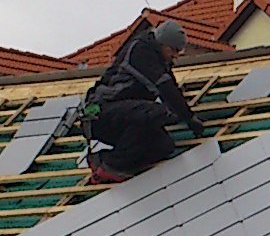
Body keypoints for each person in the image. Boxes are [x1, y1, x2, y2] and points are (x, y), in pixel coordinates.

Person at [81, 19, 205, 182]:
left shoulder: (159, 58)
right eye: (173, 50)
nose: (175, 56)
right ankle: (112, 166)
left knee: (164, 146)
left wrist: (183, 110)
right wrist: (188, 117)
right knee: (155, 111)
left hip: (124, 114)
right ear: (162, 44)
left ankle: (102, 159)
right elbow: (165, 88)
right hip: (99, 113)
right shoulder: (141, 51)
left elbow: (171, 86)